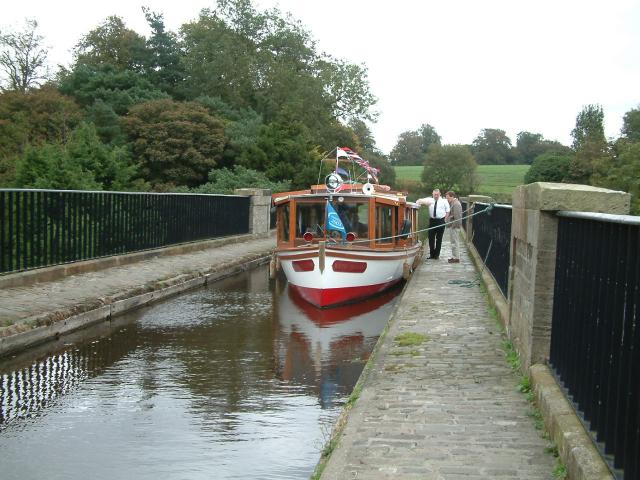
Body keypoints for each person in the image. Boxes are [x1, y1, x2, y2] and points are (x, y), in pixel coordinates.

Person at [417, 189, 449, 259]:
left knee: (439, 239)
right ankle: (432, 254)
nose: (436, 196)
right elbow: (418, 201)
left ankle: (436, 255)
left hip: (441, 221)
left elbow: (448, 211)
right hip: (432, 221)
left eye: (437, 194)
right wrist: (423, 202)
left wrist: (445, 220)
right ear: (432, 194)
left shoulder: (444, 201)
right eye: (435, 194)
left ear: (440, 194)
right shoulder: (430, 200)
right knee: (431, 238)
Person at [445, 191, 463, 263]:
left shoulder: (456, 204)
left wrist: (453, 227)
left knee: (455, 242)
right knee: (453, 242)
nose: (447, 200)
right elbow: (453, 215)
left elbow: (458, 218)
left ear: (452, 196)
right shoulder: (453, 203)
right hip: (453, 226)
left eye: (448, 198)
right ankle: (454, 256)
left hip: (454, 227)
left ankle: (456, 258)